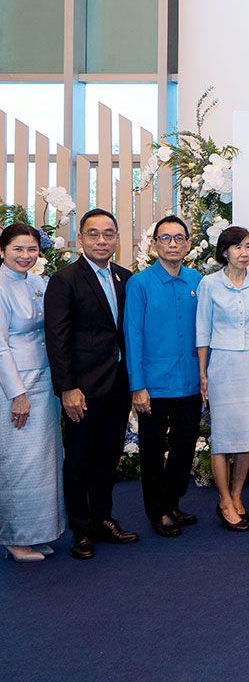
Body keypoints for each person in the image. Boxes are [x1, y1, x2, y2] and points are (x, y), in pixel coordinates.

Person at [44, 208, 137, 560]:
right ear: (81, 238)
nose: (102, 240)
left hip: (117, 384)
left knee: (107, 456)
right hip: (82, 388)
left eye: (108, 234)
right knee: (79, 459)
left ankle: (102, 519)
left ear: (117, 238)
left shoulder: (125, 278)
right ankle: (80, 530)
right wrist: (67, 387)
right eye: (94, 234)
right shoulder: (65, 279)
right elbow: (57, 339)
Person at [123, 215, 203, 538]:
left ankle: (171, 501)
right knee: (153, 452)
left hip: (190, 383)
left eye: (178, 238)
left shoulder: (198, 281)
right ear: (154, 244)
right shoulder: (140, 284)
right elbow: (133, 336)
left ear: (187, 244)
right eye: (165, 238)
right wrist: (137, 386)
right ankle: (158, 511)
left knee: (184, 449)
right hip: (153, 386)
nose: (172, 244)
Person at [196, 226, 249, 532]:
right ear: (225, 251)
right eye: (238, 247)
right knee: (223, 436)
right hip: (223, 365)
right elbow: (202, 330)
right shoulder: (209, 284)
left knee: (247, 433)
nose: (245, 253)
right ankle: (224, 499)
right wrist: (203, 373)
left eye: (248, 247)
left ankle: (238, 494)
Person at [0, 223, 64, 562]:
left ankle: (37, 531)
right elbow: (0, 347)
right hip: (14, 384)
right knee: (18, 462)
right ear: (2, 250)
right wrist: (17, 394)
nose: (26, 256)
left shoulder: (38, 282)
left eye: (31, 249)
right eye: (18, 250)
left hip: (44, 378)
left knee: (42, 461)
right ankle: (15, 537)